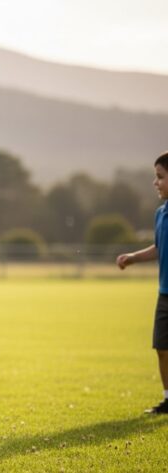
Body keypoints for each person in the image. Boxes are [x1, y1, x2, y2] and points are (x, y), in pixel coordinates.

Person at [116, 150, 168, 414]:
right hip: (165, 293)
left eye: (160, 177)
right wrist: (133, 257)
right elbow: (159, 248)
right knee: (161, 347)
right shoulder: (160, 214)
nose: (155, 182)